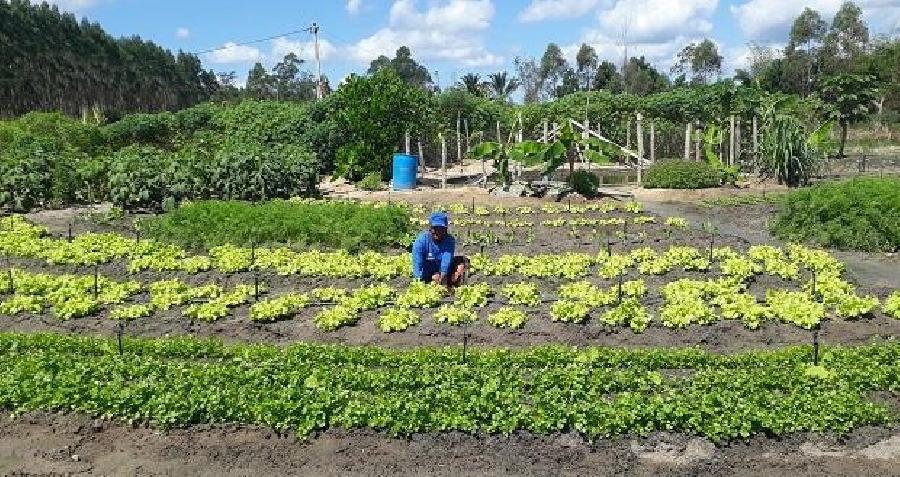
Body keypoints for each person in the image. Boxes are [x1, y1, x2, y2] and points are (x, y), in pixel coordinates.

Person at [411, 212, 466, 290]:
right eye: (435, 228)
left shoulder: (449, 240)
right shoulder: (421, 241)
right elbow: (417, 263)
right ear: (430, 228)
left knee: (461, 265)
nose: (438, 232)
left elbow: (446, 260)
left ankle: (452, 285)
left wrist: (442, 277)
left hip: (443, 270)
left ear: (446, 229)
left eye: (441, 229)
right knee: (433, 278)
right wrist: (420, 281)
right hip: (427, 271)